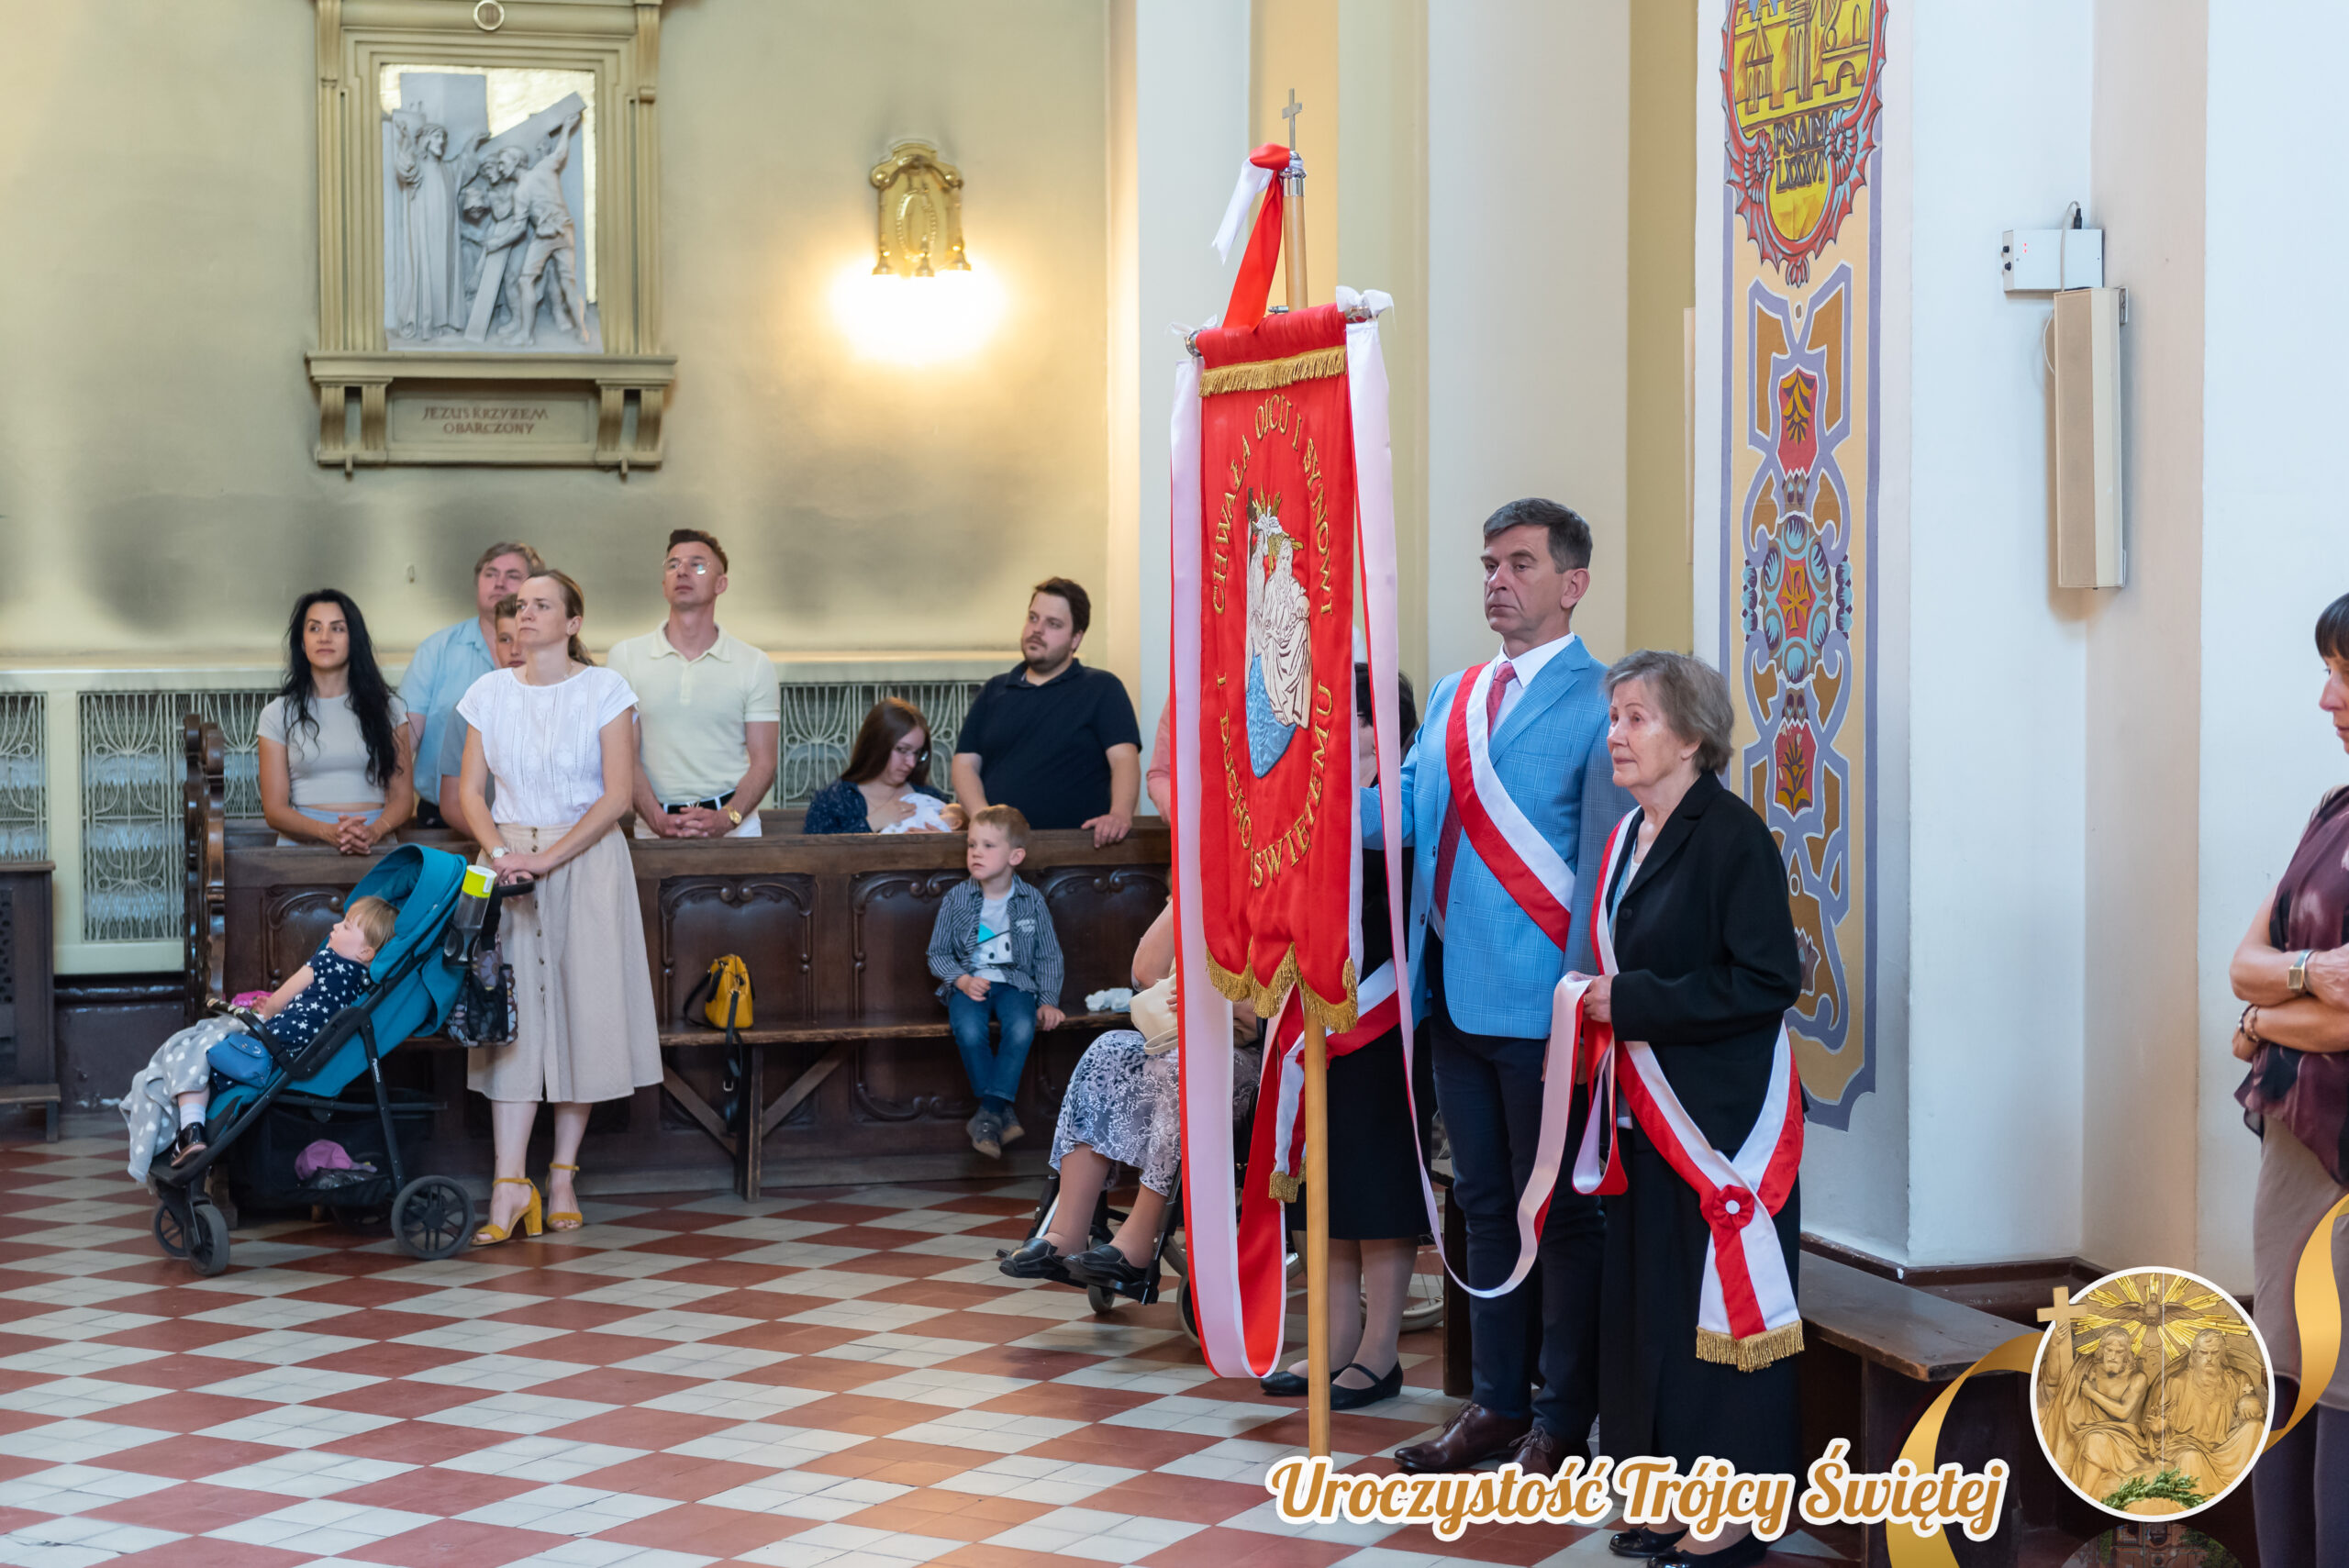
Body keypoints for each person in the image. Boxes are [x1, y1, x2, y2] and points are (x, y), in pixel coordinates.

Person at [1386, 498, 1631, 1480]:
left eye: (1520, 563)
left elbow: (1603, 862)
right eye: (1489, 562)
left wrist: (1581, 995)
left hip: (1549, 1009)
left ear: (1572, 583)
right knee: (1484, 1205)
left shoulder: (1604, 698)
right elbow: (1403, 816)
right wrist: (1300, 810)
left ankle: (1563, 1418)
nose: (1497, 579)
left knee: (1560, 1217)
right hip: (1452, 997)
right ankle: (1494, 1404)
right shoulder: (1455, 693)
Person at [1580, 651, 1802, 1568]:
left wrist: (1629, 1002)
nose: (1617, 734)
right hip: (1645, 1117)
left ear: (1691, 737)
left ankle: (1735, 1514)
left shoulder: (1732, 836)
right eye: (1615, 716)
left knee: (1722, 1319)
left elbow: (1766, 980)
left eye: (1637, 717)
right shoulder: (1631, 834)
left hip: (1720, 1125)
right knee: (1657, 1315)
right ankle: (1673, 1493)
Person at [451, 570, 662, 1244]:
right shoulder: (487, 692)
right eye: (521, 605)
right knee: (506, 1017)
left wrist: (547, 858)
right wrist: (499, 851)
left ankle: (563, 1173)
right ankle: (508, 1182)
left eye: (543, 605)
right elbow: (471, 792)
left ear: (572, 623)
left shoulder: (605, 690)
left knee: (582, 1011)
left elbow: (617, 795)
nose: (527, 613)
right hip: (506, 861)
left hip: (586, 859)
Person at [1259, 666, 1427, 1412]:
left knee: (1375, 1182)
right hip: (1315, 1012)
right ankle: (1333, 1339)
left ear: (1377, 724)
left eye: (1341, 716)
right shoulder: (1307, 794)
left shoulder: (1403, 794)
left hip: (1383, 1015)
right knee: (1321, 1179)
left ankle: (1380, 1351)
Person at [2229, 590, 2349, 1568]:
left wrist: (2265, 1018)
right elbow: (2244, 960)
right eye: (2329, 672)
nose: (2327, 699)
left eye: (2347, 676)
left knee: (2343, 1384)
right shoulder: (2330, 812)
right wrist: (2303, 979)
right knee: (2283, 1368)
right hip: (2294, 1142)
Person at [997, 900, 1261, 1286]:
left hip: (1263, 1054)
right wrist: (1189, 889)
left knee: (1184, 1066)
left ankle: (1136, 1246)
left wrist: (1222, 1000)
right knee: (1108, 1049)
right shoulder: (1214, 881)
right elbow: (1145, 974)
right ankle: (1066, 1233)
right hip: (1183, 1039)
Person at [120, 897, 395, 1182]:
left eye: (346, 926)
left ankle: (191, 1130)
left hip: (270, 1045)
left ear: (365, 951)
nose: (335, 926)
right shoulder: (365, 984)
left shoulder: (326, 960)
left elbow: (278, 1001)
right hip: (303, 1053)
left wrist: (269, 1007)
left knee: (193, 1052)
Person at [607, 530, 780, 840]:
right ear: (664, 585)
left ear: (721, 584)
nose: (683, 571)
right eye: (673, 565)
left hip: (735, 827)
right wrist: (656, 819)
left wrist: (728, 818)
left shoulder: (754, 663)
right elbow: (624, 756)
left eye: (698, 565)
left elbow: (764, 763)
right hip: (654, 824)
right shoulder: (626, 657)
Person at [952, 578, 1142, 848]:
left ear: (1076, 638)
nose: (1037, 630)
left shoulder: (1102, 688)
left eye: (1053, 624)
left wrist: (1120, 814)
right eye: (1033, 618)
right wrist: (984, 821)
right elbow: (965, 764)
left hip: (1079, 851)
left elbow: (1124, 759)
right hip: (1000, 855)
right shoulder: (994, 690)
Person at [927, 806, 1065, 1158]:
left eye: (988, 846)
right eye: (972, 844)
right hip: (969, 983)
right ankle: (1000, 1112)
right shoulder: (957, 899)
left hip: (1016, 984)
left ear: (1015, 856)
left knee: (1021, 1027)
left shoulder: (1031, 901)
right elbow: (937, 953)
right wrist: (961, 980)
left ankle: (988, 1114)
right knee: (970, 1030)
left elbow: (1049, 955)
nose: (976, 852)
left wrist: (1048, 1000)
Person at [258, 590, 415, 852]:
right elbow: (274, 811)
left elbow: (403, 799)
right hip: (302, 849)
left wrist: (373, 831)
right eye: (314, 628)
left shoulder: (390, 709)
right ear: (302, 642)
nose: (325, 637)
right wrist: (327, 832)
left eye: (337, 628)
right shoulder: (277, 713)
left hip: (373, 844)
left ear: (354, 639)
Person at [402, 541, 542, 828]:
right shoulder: (436, 649)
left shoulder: (552, 654)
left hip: (536, 823)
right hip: (447, 816)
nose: (500, 583)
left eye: (512, 575)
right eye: (490, 574)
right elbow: (404, 742)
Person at [803, 698, 966, 834]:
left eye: (917, 753)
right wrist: (871, 823)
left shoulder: (932, 799)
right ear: (876, 745)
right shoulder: (834, 801)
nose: (911, 763)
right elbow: (815, 855)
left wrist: (941, 842)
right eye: (902, 750)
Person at [437, 594, 526, 809]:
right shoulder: (469, 709)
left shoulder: (573, 704)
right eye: (505, 639)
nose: (515, 650)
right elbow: (451, 804)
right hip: (489, 828)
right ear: (494, 644)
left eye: (523, 638)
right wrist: (492, 832)